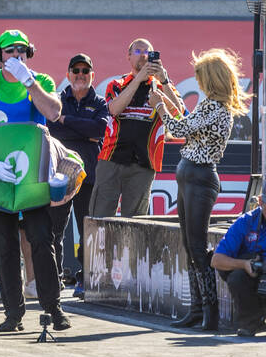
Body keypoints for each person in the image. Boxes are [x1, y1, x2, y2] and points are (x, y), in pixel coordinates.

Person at [0, 30, 69, 333]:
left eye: (22, 50)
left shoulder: (43, 82)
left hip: (32, 176)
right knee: (5, 245)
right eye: (10, 51)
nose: (17, 56)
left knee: (41, 240)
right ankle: (13, 313)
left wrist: (28, 81)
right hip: (0, 176)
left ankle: (54, 308)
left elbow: (54, 111)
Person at [159, 49, 247, 331]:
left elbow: (178, 127)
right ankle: (198, 309)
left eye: (199, 75)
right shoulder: (211, 106)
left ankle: (208, 311)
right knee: (190, 245)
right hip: (191, 175)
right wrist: (165, 83)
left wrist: (159, 105)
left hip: (199, 176)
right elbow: (187, 119)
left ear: (209, 79)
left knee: (197, 247)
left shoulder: (215, 108)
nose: (196, 80)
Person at [91, 39, 183, 218]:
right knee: (100, 217)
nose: (143, 55)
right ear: (128, 56)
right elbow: (114, 109)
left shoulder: (162, 86)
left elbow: (178, 114)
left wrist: (163, 79)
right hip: (111, 158)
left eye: (147, 52)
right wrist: (139, 78)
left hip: (145, 161)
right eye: (138, 51)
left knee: (134, 223)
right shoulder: (117, 84)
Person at [45, 54, 109, 299]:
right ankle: (54, 278)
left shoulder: (100, 102)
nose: (80, 75)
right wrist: (81, 128)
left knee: (89, 231)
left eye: (85, 71)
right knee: (54, 230)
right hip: (59, 176)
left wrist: (66, 120)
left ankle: (85, 279)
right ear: (68, 73)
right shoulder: (57, 99)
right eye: (76, 70)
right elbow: (50, 128)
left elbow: (100, 130)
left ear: (92, 74)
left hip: (89, 176)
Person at [211, 198, 266, 337]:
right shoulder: (245, 221)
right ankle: (251, 322)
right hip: (253, 274)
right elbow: (216, 260)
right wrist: (244, 264)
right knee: (236, 277)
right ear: (261, 202)